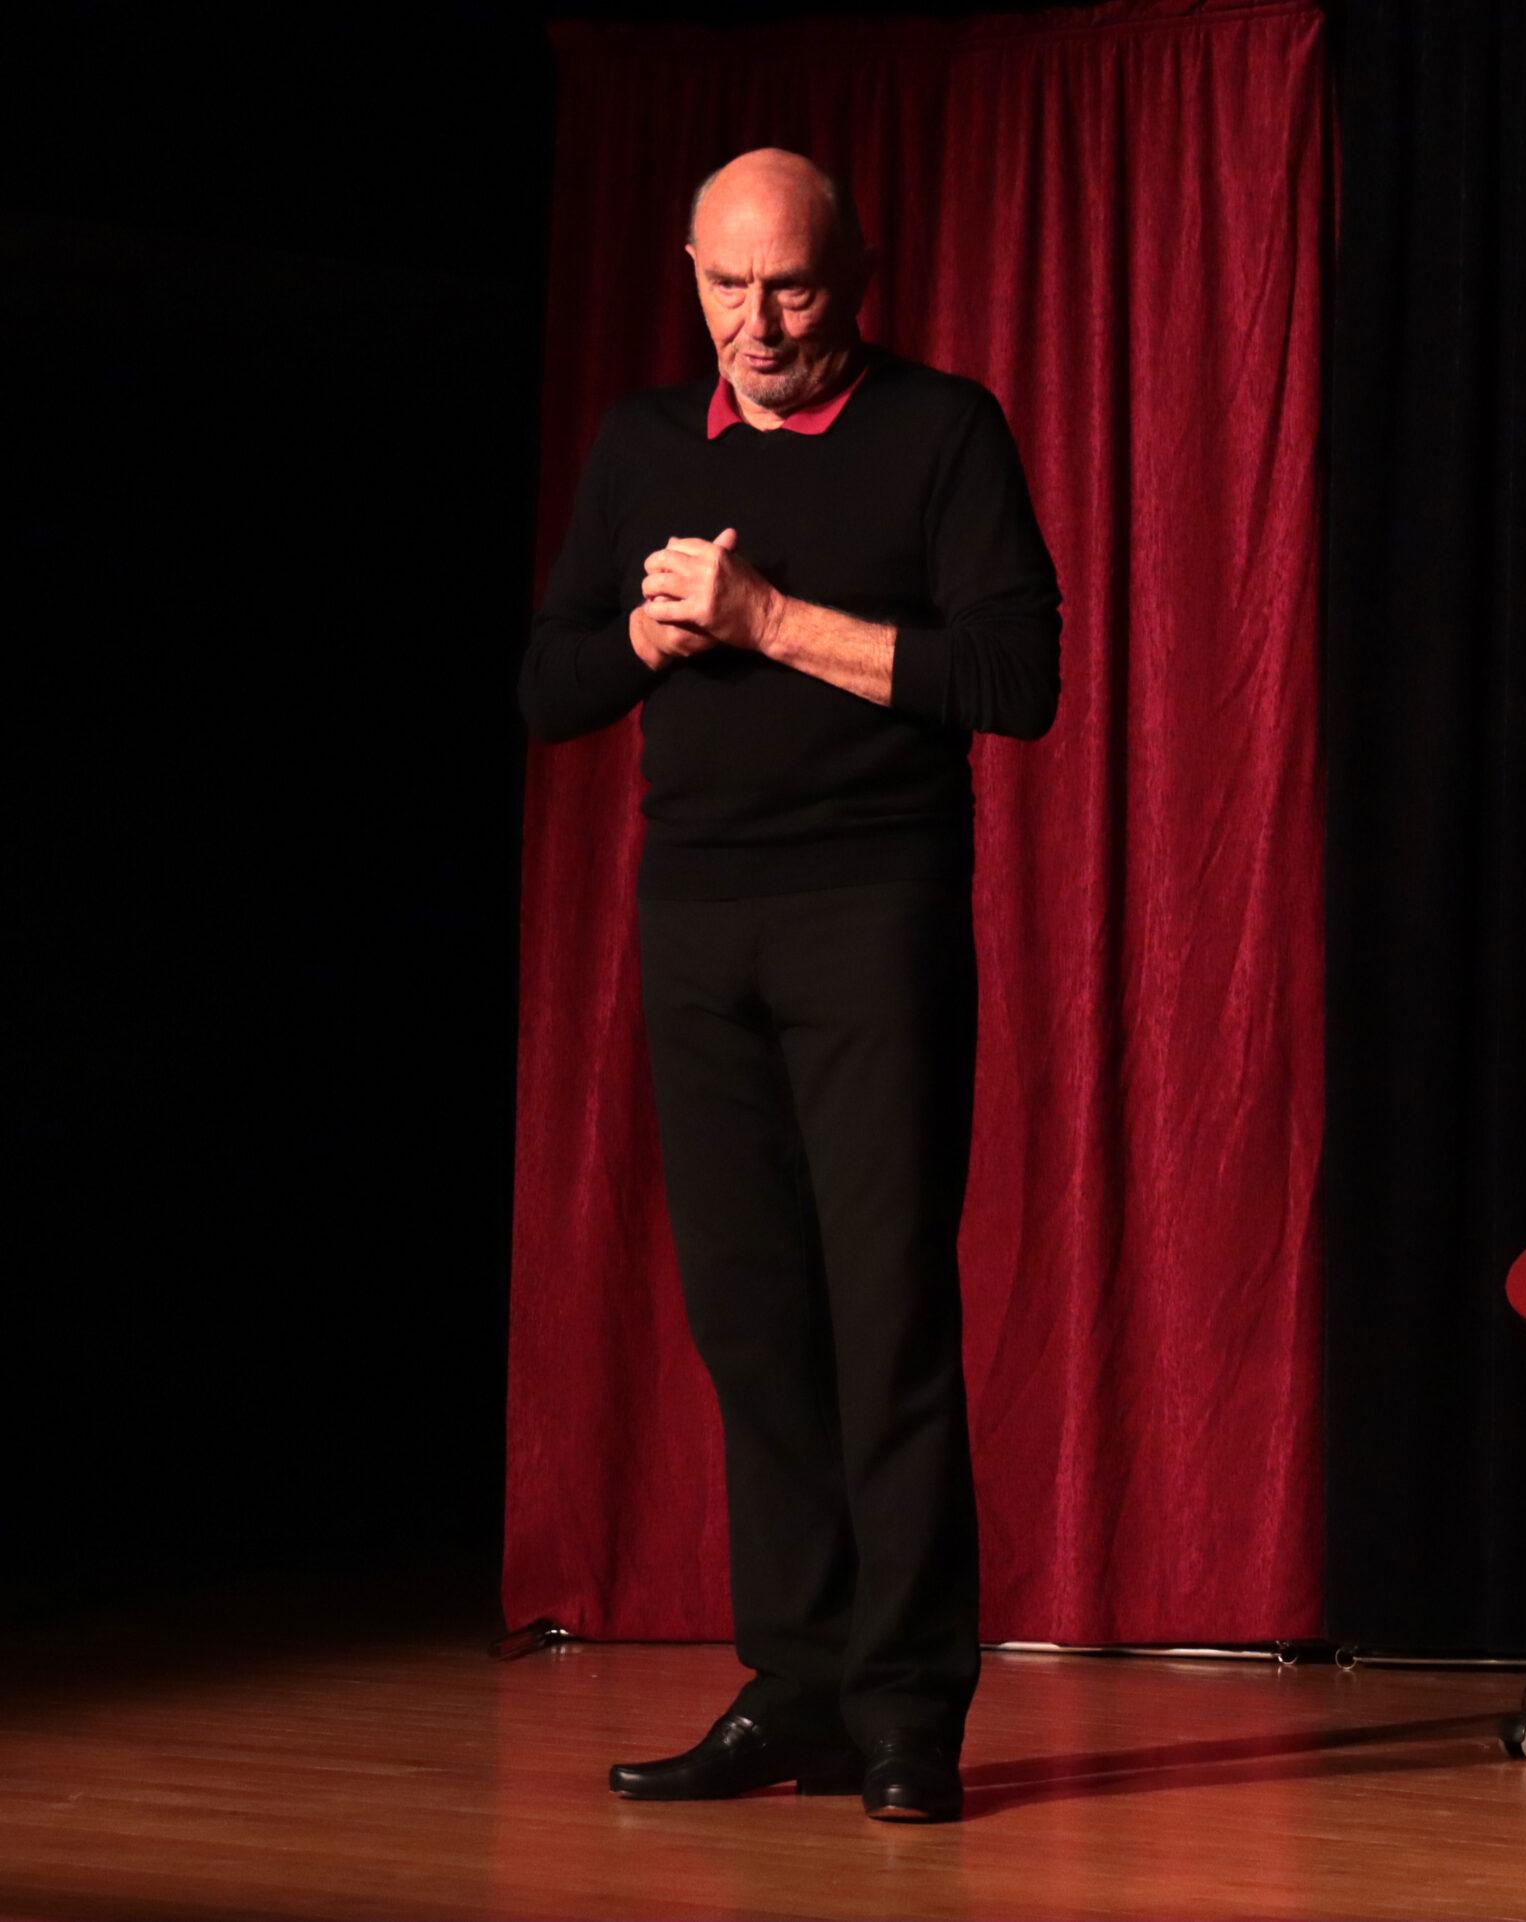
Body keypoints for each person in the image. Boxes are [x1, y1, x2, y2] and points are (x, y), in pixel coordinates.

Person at [517, 147, 1061, 1823]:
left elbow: (1013, 677)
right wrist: (648, 642)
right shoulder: (637, 447)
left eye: (794, 287)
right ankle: (800, 1680)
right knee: (753, 1322)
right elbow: (549, 688)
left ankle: (909, 1709)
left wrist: (764, 615)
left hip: (871, 916)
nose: (756, 323)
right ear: (689, 271)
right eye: (727, 285)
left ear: (860, 273)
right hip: (695, 924)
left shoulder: (942, 431)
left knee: (884, 1317)